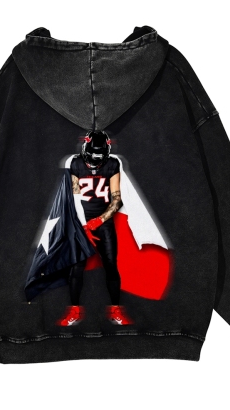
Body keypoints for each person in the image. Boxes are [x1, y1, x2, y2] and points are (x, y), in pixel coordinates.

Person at [56, 130, 134, 326]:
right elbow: (74, 198)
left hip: (103, 221)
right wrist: (83, 225)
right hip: (80, 221)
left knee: (110, 264)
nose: (94, 163)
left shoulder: (113, 163)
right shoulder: (75, 163)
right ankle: (75, 311)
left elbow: (117, 200)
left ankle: (115, 309)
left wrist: (99, 221)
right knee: (76, 267)